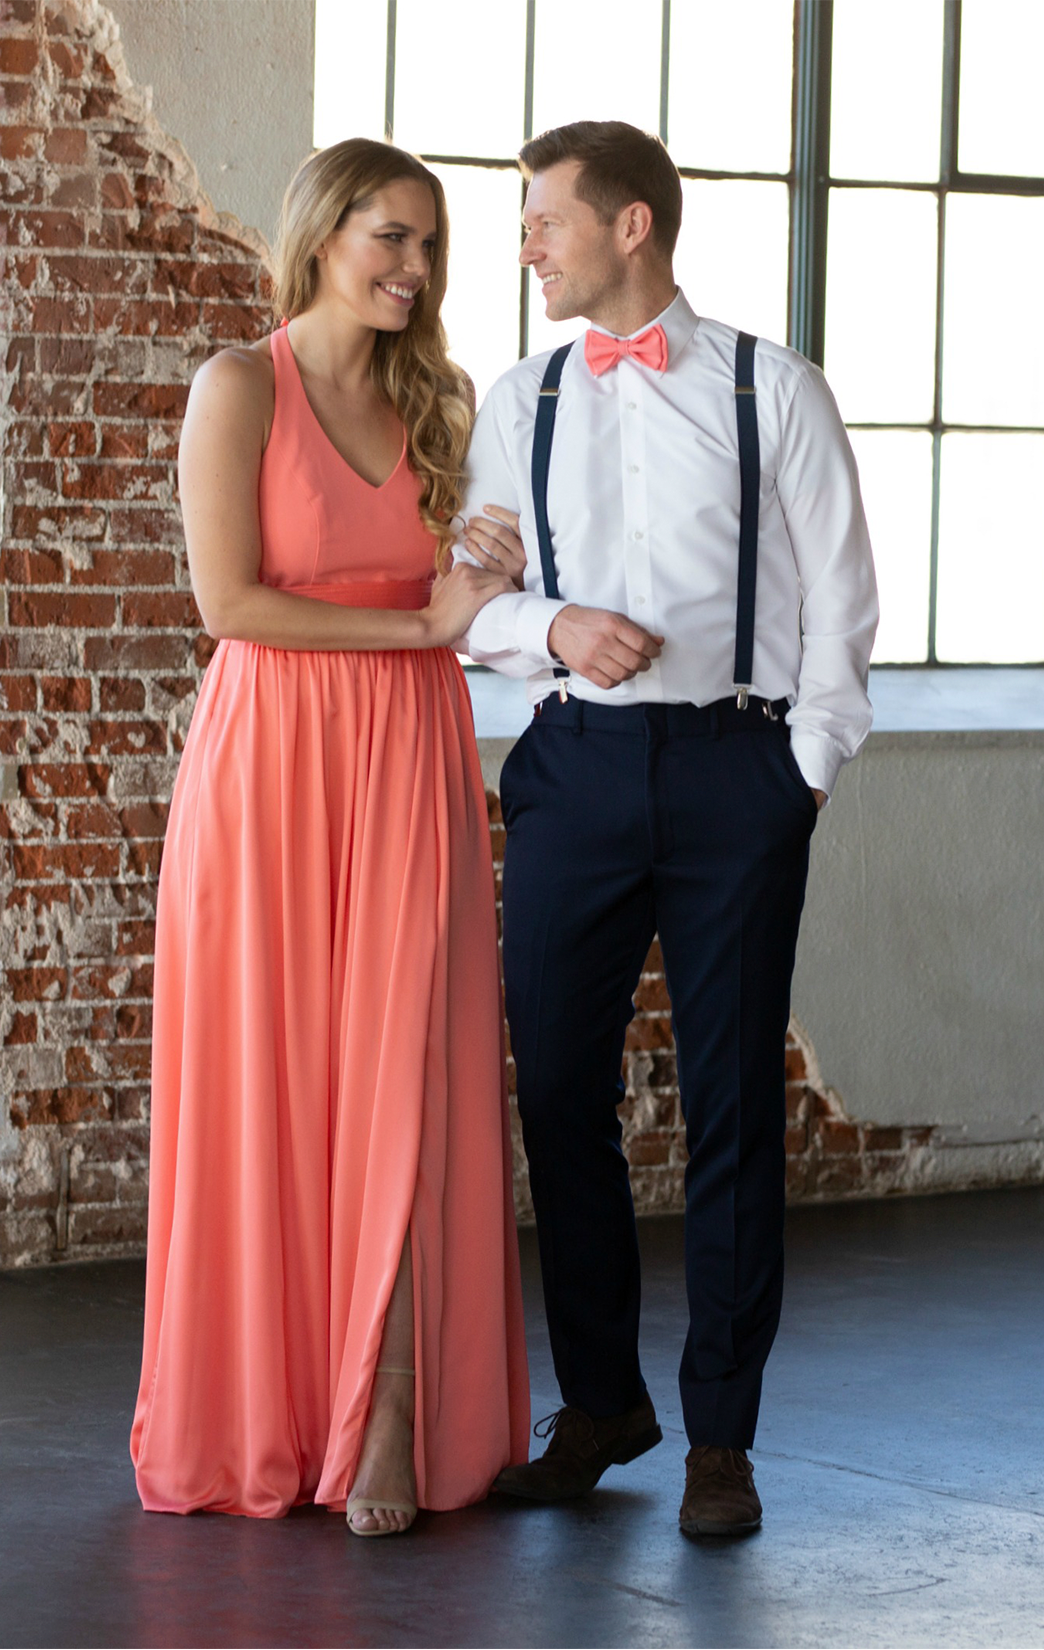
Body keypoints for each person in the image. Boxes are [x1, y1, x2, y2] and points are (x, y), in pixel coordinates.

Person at [456, 120, 878, 1538]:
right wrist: (550, 622)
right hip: (571, 767)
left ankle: (722, 1437)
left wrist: (800, 771)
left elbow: (841, 603)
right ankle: (600, 1402)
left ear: (631, 226)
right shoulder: (522, 399)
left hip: (731, 776)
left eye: (543, 220)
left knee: (732, 1111)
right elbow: (471, 601)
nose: (525, 245)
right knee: (560, 1092)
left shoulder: (777, 388)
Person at [130, 138, 531, 1535]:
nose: (414, 269)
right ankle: (274, 1406)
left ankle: (392, 1417)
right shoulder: (237, 387)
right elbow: (228, 603)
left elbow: (473, 587)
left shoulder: (448, 401)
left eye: (431, 245)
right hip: (273, 763)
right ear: (319, 234)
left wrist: (489, 577)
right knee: (276, 1081)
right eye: (389, 237)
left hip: (410, 757)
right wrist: (419, 623)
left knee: (405, 1079)